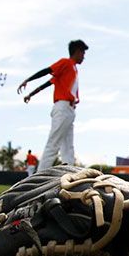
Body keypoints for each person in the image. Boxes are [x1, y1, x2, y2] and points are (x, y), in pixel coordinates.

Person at [17, 40, 89, 170]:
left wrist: (30, 94)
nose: (84, 56)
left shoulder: (73, 69)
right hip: (62, 107)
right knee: (53, 144)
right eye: (83, 52)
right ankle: (38, 179)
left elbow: (48, 83)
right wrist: (27, 80)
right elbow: (47, 71)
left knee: (68, 147)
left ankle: (70, 177)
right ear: (77, 51)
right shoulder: (66, 63)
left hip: (69, 110)